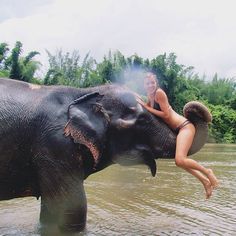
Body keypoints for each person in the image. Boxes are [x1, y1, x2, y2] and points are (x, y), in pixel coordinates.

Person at [137, 72, 218, 199]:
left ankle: (208, 172)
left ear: (156, 83)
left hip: (184, 127)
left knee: (180, 160)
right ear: (144, 85)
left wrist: (147, 107)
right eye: (148, 83)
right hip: (177, 130)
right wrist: (140, 102)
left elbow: (166, 115)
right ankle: (204, 181)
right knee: (180, 163)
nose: (151, 85)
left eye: (152, 82)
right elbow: (147, 107)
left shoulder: (159, 93)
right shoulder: (150, 95)